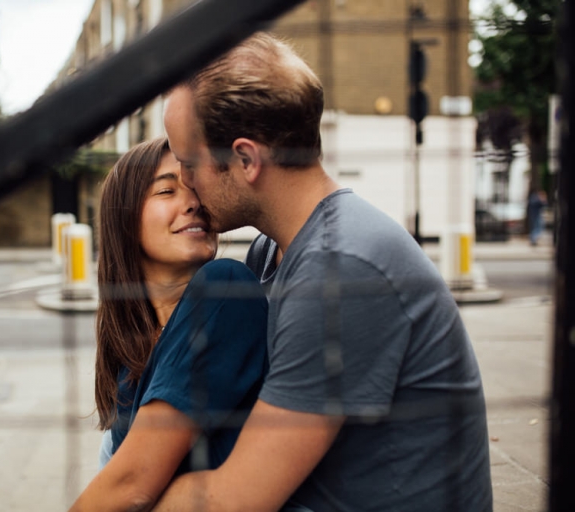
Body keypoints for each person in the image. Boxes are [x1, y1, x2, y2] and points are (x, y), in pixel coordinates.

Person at [155, 32, 492, 511]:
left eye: (189, 163)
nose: (186, 184)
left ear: (247, 159)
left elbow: (234, 501)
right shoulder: (271, 251)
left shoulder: (342, 265)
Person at [69, 137, 269, 511]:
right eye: (166, 190)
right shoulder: (133, 356)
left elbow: (131, 483)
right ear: (124, 219)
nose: (193, 201)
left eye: (196, 188)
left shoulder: (225, 289)